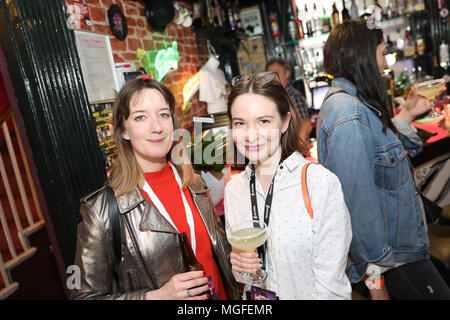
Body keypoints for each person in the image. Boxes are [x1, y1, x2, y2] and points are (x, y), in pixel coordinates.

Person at [71, 78, 239, 300]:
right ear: (123, 131)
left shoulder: (194, 182)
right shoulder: (101, 210)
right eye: (141, 117)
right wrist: (157, 297)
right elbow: (83, 297)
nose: (157, 127)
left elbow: (220, 254)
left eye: (163, 114)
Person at [318, 19, 450, 300]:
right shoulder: (347, 113)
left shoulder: (355, 103)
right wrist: (376, 283)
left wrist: (407, 115)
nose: (386, 60)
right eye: (381, 52)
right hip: (391, 260)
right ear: (364, 56)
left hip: (400, 252)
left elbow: (380, 156)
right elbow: (357, 205)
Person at [224, 71, 352, 299]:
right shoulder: (234, 190)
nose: (250, 135)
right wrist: (239, 266)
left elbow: (332, 288)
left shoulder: (319, 184)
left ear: (284, 122)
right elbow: (245, 278)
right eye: (240, 123)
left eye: (263, 121)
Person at [266, 58, 313, 143]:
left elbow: (306, 125)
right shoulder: (273, 97)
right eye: (270, 74)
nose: (273, 77)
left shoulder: (293, 96)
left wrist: (296, 149)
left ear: (287, 73)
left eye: (276, 73)